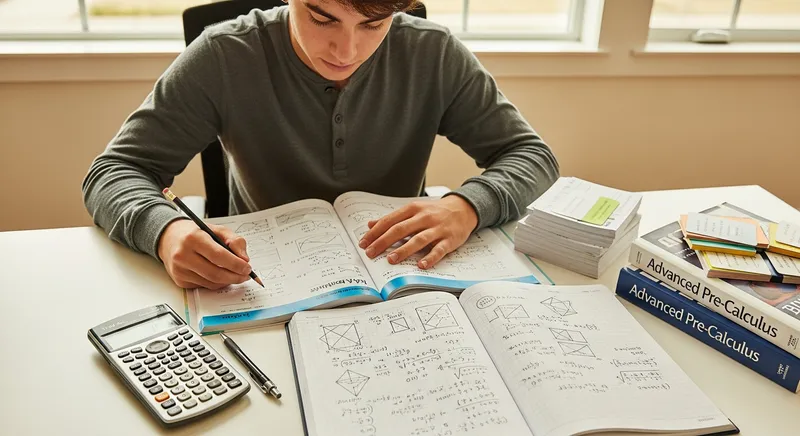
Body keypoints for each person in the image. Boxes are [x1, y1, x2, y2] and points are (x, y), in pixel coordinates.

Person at [81, 0, 559, 291]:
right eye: (322, 17)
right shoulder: (225, 55)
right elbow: (115, 171)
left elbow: (533, 156)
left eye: (373, 24)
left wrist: (466, 206)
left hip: (403, 283)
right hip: (262, 289)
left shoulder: (433, 53)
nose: (345, 51)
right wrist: (164, 232)